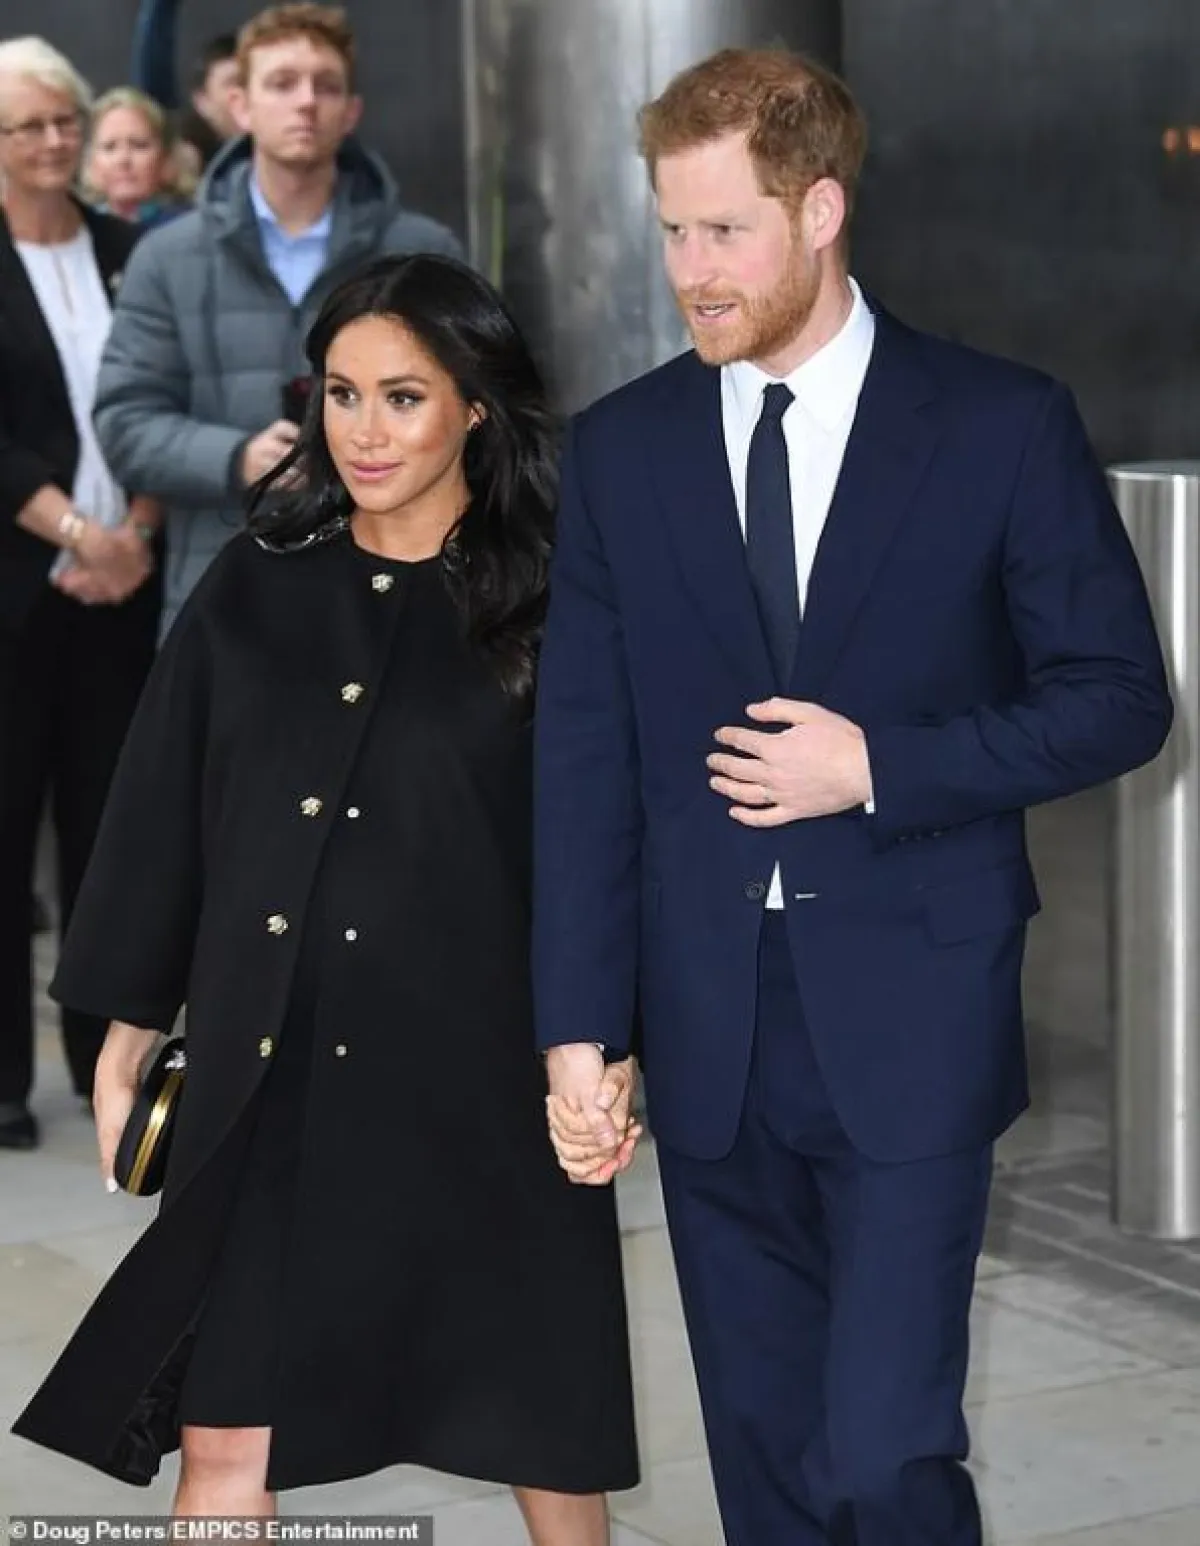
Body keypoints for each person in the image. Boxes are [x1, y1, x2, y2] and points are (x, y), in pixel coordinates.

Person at [534, 46, 1173, 1546]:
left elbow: (1118, 699)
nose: (690, 271)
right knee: (764, 1462)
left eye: (724, 230)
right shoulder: (623, 448)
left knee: (884, 1454)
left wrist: (878, 766)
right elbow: (584, 756)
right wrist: (578, 1028)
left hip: (915, 1010)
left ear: (820, 212)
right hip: (707, 1021)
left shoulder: (1000, 423)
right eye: (671, 230)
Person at [13, 253, 640, 1539]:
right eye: (341, 395)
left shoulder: (557, 600)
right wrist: (127, 1027)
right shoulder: (256, 585)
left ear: (476, 406)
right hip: (269, 1071)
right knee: (224, 1433)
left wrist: (606, 1042)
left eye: (403, 397)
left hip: (478, 1078)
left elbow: (614, 846)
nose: (364, 431)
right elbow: (162, 806)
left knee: (540, 1420)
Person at [95, 2, 462, 636]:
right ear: (239, 105)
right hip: (220, 599)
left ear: (351, 111)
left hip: (391, 599)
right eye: (283, 83)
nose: (306, 102)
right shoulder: (168, 257)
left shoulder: (423, 254)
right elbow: (124, 422)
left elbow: (478, 414)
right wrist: (238, 457)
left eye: (326, 85)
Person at [0, 37, 162, 1152]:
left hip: (126, 586)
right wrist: (75, 532)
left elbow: (159, 387)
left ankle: (107, 1055)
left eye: (66, 120)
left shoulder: (128, 249)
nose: (54, 142)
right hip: (18, 587)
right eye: (28, 127)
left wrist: (133, 533)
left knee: (114, 833)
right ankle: (4, 1082)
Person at [130, 0, 238, 173]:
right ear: (202, 100)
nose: (243, 94)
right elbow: (153, 99)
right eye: (233, 83)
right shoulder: (190, 160)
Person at [86, 88, 191, 228]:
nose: (123, 159)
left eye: (139, 145)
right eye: (109, 147)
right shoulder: (79, 229)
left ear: (165, 158)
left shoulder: (190, 227)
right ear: (91, 162)